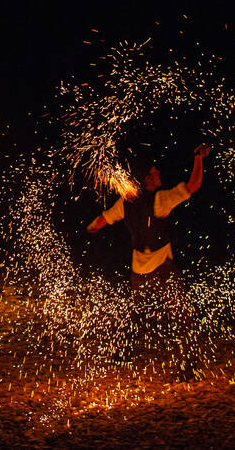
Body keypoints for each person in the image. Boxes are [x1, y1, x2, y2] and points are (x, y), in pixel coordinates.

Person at [87, 144, 211, 377]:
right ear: (146, 180)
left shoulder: (127, 202)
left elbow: (103, 219)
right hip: (162, 269)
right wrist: (198, 158)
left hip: (139, 271)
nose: (159, 174)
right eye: (154, 173)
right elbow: (193, 185)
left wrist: (90, 228)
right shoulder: (162, 199)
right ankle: (189, 366)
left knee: (136, 312)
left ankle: (121, 354)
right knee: (182, 315)